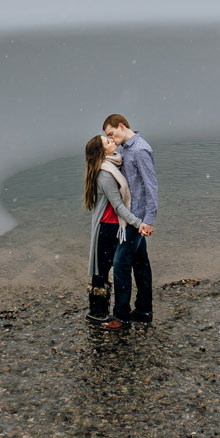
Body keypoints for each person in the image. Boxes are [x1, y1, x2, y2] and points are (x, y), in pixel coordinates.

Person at [82, 134, 141, 330]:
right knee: (102, 269)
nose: (111, 140)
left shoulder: (112, 165)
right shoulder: (106, 173)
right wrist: (137, 222)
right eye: (107, 142)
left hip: (114, 226)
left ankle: (103, 311)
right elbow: (117, 205)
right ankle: (97, 313)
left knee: (106, 267)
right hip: (108, 227)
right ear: (101, 151)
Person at [102, 113, 157, 325]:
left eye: (111, 133)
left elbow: (151, 186)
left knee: (120, 263)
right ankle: (144, 310)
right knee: (140, 263)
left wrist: (149, 219)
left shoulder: (140, 149)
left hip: (137, 218)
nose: (111, 139)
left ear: (122, 126)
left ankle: (121, 316)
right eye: (108, 136)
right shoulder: (127, 150)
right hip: (132, 217)